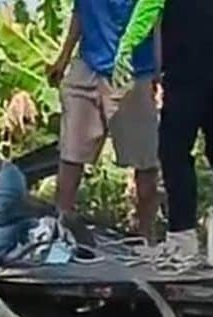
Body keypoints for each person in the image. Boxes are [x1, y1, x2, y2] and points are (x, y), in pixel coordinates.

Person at [114, 0, 213, 257]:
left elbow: (147, 11)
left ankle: (182, 235)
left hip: (185, 74)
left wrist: (126, 46)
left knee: (174, 151)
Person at [46, 0, 161, 240]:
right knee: (71, 155)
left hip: (133, 72)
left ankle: (145, 239)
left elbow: (157, 17)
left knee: (145, 164)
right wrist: (63, 59)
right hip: (87, 66)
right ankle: (58, 230)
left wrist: (158, 73)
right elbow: (81, 12)